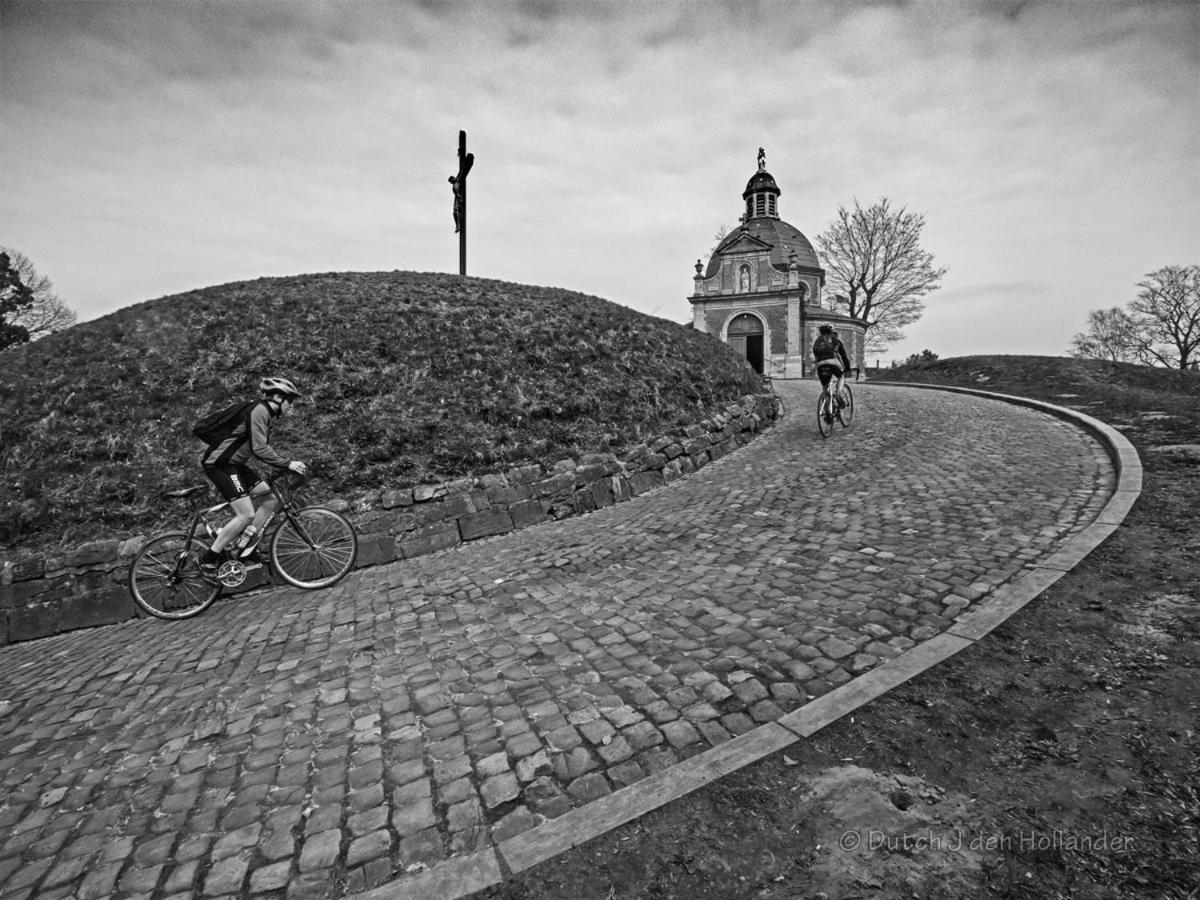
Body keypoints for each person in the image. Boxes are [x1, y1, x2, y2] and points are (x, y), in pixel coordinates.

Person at [199, 376, 308, 576]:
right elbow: (259, 448)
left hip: (234, 464)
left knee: (269, 498)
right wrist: (287, 463)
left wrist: (281, 465)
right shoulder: (260, 410)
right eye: (289, 400)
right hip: (219, 464)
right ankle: (209, 558)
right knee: (246, 514)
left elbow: (257, 446)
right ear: (277, 397)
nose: (291, 405)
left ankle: (245, 547)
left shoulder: (266, 414)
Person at [812, 324, 853, 407]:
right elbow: (844, 357)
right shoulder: (837, 341)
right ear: (832, 332)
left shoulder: (817, 341)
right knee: (841, 376)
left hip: (820, 364)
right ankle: (839, 393)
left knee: (825, 389)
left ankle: (827, 412)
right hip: (832, 362)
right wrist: (848, 369)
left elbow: (815, 354)